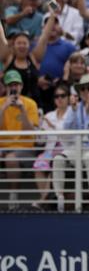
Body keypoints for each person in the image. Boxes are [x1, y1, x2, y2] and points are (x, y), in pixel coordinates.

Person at [52, 74, 89, 212]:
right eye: (82, 89)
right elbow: (66, 128)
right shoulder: (75, 107)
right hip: (77, 147)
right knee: (58, 158)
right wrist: (72, 110)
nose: (86, 92)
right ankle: (58, 196)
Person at [0, 69, 39, 210]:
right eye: (10, 85)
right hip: (2, 147)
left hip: (24, 148)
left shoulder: (30, 104)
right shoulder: (0, 103)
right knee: (8, 155)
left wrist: (22, 110)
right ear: (5, 87)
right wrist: (3, 108)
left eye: (16, 85)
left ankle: (13, 195)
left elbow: (31, 132)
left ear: (21, 86)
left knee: (11, 158)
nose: (14, 88)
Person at [32, 83, 70, 210]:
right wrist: (38, 129)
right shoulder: (49, 116)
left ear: (68, 98)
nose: (59, 99)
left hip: (66, 150)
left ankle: (43, 200)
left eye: (62, 96)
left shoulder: (72, 114)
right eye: (56, 96)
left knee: (55, 161)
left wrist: (53, 126)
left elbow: (69, 136)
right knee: (39, 164)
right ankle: (47, 199)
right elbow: (40, 141)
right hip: (49, 151)